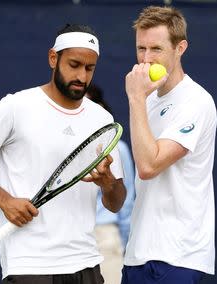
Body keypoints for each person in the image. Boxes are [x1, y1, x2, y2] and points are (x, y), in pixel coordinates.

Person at [0, 24, 127, 284]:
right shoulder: (15, 107)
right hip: (29, 265)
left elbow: (116, 203)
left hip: (87, 263)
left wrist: (108, 183)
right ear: (53, 58)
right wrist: (5, 201)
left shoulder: (102, 119)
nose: (82, 76)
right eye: (74, 64)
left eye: (89, 68)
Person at [122, 6, 217, 284]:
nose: (146, 59)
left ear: (180, 48)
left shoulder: (196, 101)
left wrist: (135, 99)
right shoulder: (147, 99)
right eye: (141, 48)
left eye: (156, 49)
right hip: (137, 254)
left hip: (178, 256)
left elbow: (149, 166)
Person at [85, 84, 136, 284]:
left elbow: (127, 200)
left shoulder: (118, 149)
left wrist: (124, 244)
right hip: (67, 241)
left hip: (105, 238)